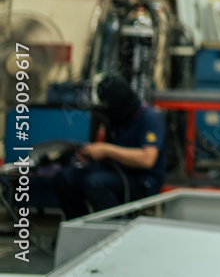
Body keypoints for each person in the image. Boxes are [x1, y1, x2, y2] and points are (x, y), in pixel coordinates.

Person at [52, 76, 167, 219]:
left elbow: (147, 159)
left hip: (143, 181)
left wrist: (106, 150)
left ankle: (115, 229)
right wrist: (93, 155)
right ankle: (79, 228)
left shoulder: (151, 118)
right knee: (65, 177)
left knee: (94, 182)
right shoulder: (116, 117)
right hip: (114, 172)